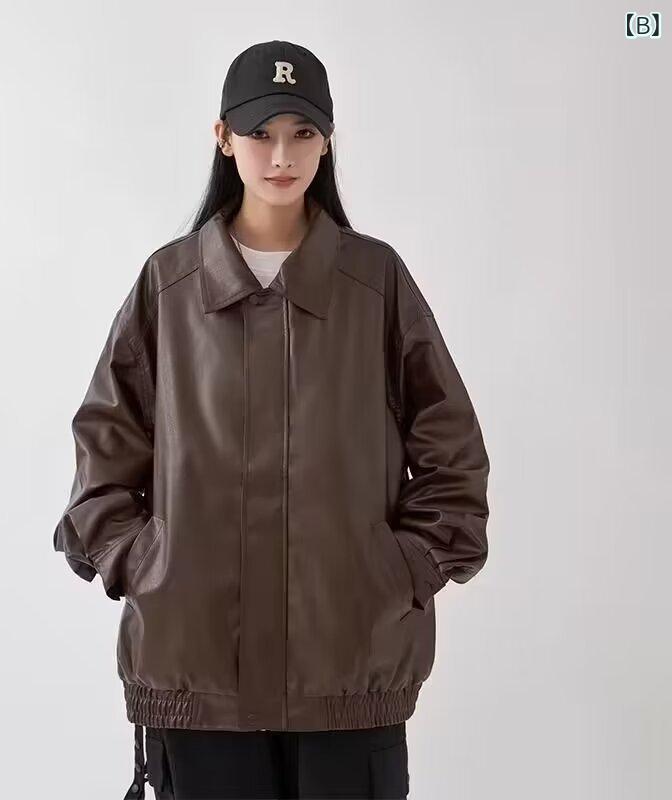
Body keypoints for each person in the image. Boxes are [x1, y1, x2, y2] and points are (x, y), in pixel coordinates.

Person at [53, 39, 490, 800]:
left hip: (348, 670)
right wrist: (146, 563)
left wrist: (397, 570)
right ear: (223, 138)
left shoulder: (374, 283)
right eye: (260, 133)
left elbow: (451, 451)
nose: (281, 155)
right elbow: (104, 448)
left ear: (328, 140)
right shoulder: (170, 285)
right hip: (195, 674)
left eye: (302, 133)